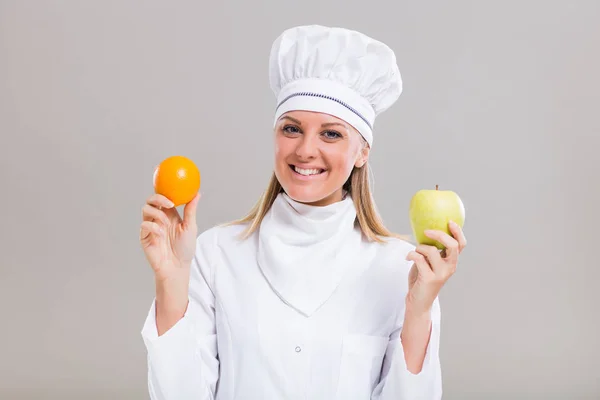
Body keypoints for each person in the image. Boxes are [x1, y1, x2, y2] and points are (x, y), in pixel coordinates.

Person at [139, 24, 467, 400]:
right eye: (292, 129)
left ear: (362, 151)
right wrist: (172, 279)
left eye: (331, 134)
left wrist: (419, 310)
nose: (306, 150)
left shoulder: (401, 268)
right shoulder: (214, 254)